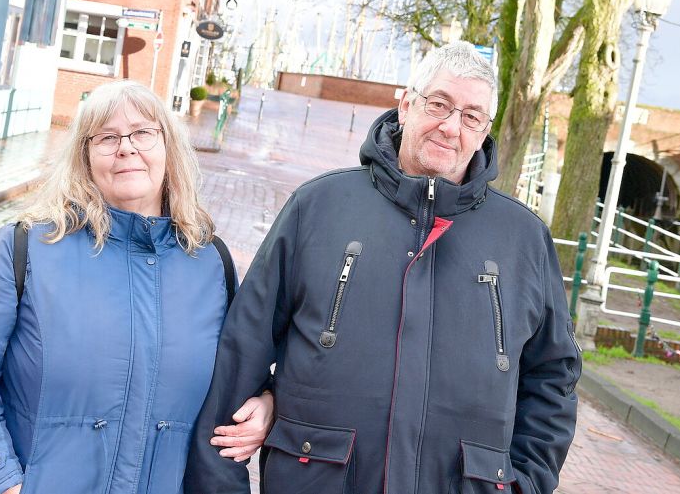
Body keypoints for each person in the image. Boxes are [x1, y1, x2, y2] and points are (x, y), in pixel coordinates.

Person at [185, 41, 581, 493]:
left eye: (471, 116)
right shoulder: (318, 208)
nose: (451, 127)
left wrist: (526, 484)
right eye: (439, 104)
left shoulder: (523, 238)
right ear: (407, 104)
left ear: (483, 130)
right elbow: (242, 351)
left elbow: (553, 376)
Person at [0, 80, 273, 494]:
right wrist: (0, 482)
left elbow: (235, 373)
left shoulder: (209, 262)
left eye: (143, 133)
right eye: (107, 137)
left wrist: (266, 403)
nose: (126, 147)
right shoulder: (24, 248)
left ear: (169, 148)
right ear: (85, 156)